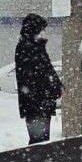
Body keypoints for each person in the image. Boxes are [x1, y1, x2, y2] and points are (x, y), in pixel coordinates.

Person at [14, 13, 62, 143]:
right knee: (38, 141)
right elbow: (36, 75)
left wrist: (56, 86)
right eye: (41, 29)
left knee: (42, 140)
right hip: (36, 103)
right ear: (34, 29)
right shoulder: (28, 47)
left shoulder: (35, 47)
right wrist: (51, 88)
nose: (44, 32)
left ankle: (40, 161)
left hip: (40, 102)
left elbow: (46, 71)